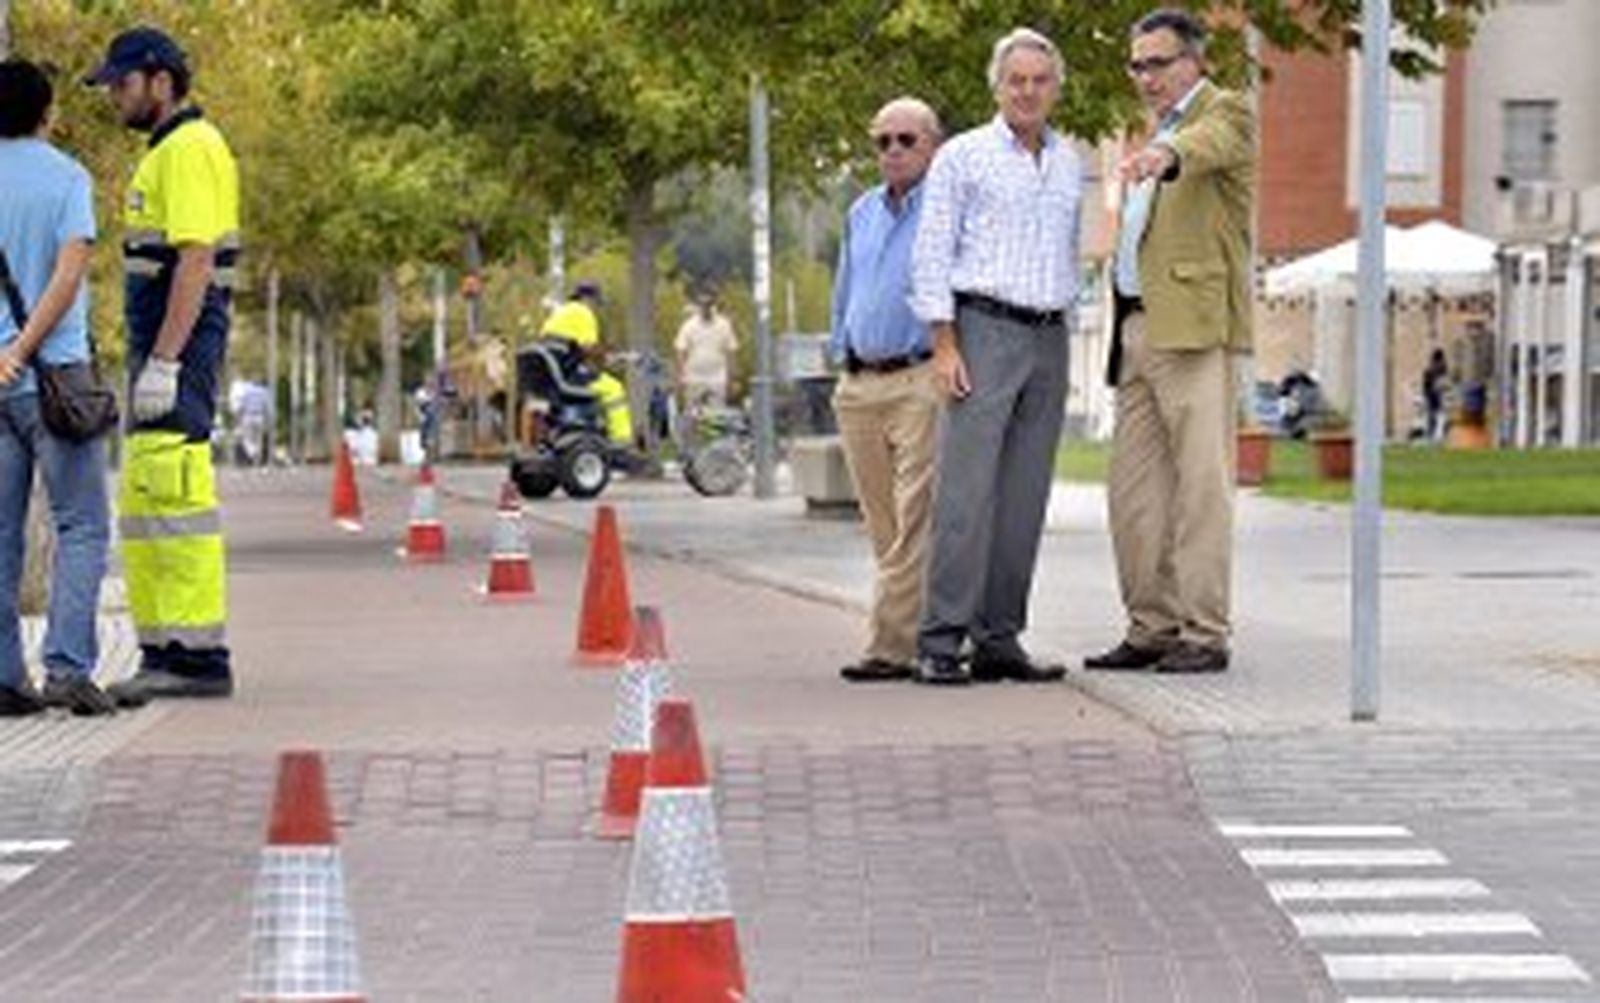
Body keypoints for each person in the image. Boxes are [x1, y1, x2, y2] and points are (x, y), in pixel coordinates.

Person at [1085, 8, 1256, 676]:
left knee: (1200, 490)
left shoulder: (1225, 113)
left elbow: (1210, 143)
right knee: (1133, 494)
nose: (1146, 77)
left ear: (1195, 61)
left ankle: (1204, 631)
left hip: (1192, 331)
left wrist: (1168, 153)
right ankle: (1150, 626)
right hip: (1133, 331)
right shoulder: (1152, 127)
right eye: (1138, 65)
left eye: (1159, 63)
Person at [909, 28, 1083, 686]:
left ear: (1055, 88)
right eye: (1018, 80)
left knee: (1025, 497)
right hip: (982, 330)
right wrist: (944, 341)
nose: (1029, 90)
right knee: (966, 495)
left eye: (1041, 80)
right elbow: (931, 252)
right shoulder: (963, 156)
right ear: (998, 86)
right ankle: (941, 637)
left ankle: (999, 636)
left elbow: (1066, 250)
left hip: (1049, 336)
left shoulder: (1067, 161)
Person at [87, 27, 241, 702]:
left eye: (120, 83)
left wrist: (167, 361)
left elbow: (197, 259)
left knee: (176, 500)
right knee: (150, 502)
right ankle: (163, 649)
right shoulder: (168, 152)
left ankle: (197, 658)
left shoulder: (190, 148)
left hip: (179, 351)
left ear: (160, 79)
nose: (113, 96)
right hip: (164, 352)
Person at [0, 59, 117, 717]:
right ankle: (68, 669)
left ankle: (4, 676)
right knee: (80, 525)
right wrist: (22, 348)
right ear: (47, 113)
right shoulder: (68, 177)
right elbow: (68, 277)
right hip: (55, 379)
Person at [830, 97, 942, 683]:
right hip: (858, 385)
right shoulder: (861, 211)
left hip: (918, 378)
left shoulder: (946, 208)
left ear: (933, 145)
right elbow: (845, 289)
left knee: (913, 516)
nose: (894, 151)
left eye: (907, 140)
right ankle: (925, 629)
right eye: (883, 141)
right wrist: (838, 357)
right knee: (883, 525)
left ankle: (889, 647)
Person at [538, 281, 633, 445]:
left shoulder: (560, 313)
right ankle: (622, 441)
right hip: (569, 375)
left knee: (598, 380)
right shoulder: (583, 313)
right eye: (597, 302)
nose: (597, 307)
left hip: (555, 374)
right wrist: (612, 358)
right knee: (614, 388)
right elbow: (589, 348)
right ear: (589, 299)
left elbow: (572, 348)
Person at [674, 290, 738, 408]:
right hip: (694, 379)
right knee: (693, 416)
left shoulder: (724, 325)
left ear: (713, 305)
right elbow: (681, 352)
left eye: (709, 304)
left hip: (717, 379)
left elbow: (731, 353)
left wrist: (731, 379)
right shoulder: (689, 326)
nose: (706, 308)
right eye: (703, 304)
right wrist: (680, 377)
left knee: (717, 417)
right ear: (699, 306)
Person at [1422, 347, 1449, 443]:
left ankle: (1432, 437)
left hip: (1434, 396)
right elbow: (1428, 385)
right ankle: (1434, 437)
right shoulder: (1438, 369)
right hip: (1435, 396)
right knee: (1436, 416)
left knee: (1434, 417)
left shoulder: (1431, 369)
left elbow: (1425, 386)